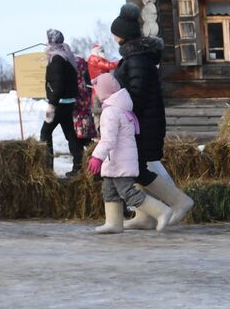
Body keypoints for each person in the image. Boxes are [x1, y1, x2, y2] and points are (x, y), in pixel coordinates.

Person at [111, 3, 194, 228]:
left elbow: (136, 95)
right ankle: (144, 216)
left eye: (115, 33)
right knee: (135, 167)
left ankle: (180, 201)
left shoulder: (137, 60)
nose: (113, 37)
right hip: (139, 122)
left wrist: (117, 112)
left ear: (122, 36)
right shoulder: (135, 57)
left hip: (141, 123)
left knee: (135, 169)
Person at [87, 72, 174, 234]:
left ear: (103, 92)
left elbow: (108, 140)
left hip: (120, 161)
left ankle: (162, 211)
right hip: (115, 161)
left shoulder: (111, 112)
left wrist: (96, 157)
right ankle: (113, 223)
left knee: (127, 192)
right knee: (109, 190)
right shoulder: (119, 109)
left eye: (96, 90)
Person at [40, 29, 87, 176]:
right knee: (70, 133)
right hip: (68, 102)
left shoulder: (56, 59)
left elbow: (58, 84)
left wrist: (52, 104)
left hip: (59, 103)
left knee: (45, 133)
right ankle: (78, 165)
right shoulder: (67, 55)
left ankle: (47, 170)